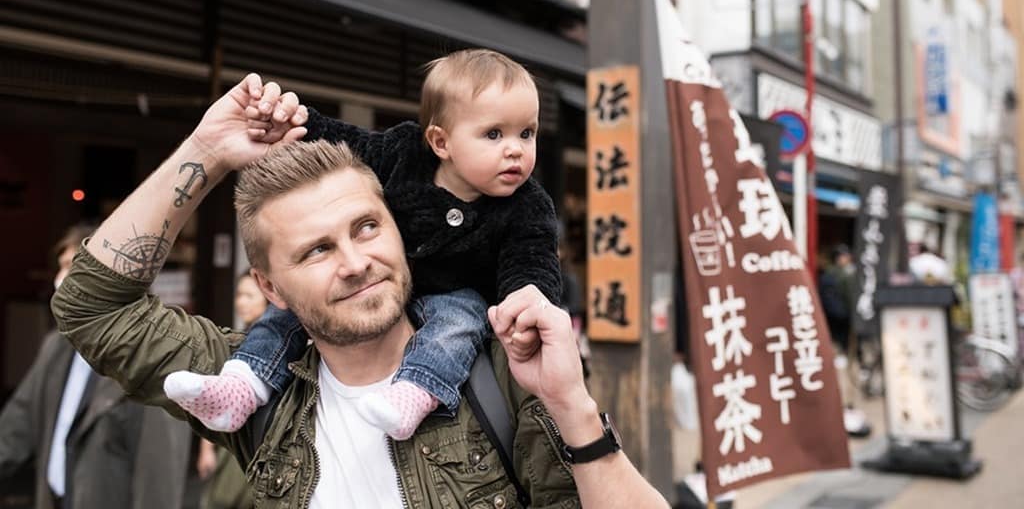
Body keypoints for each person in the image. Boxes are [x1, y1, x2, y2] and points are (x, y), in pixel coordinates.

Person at [51, 75, 670, 508]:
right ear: (270, 287)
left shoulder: (503, 379)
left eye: (367, 227)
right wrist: (206, 152)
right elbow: (92, 306)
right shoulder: (254, 390)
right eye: (317, 250)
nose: (356, 262)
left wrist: (574, 407)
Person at [166, 49, 563, 442]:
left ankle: (414, 393)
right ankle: (242, 384)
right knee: (288, 313)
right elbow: (350, 141)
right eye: (494, 134)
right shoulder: (405, 153)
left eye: (526, 133)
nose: (515, 149)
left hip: (453, 295)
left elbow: (532, 262)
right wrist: (298, 120)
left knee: (459, 322)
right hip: (377, 284)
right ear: (441, 142)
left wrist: (527, 302)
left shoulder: (528, 204)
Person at [0, 225, 191, 509]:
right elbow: (16, 427)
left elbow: (157, 476)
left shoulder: (152, 358)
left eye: (71, 266)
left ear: (108, 276)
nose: (60, 279)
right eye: (60, 267)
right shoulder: (56, 346)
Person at [196, 270, 266, 509]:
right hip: (232, 441)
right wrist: (207, 448)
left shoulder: (274, 345)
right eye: (239, 295)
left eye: (249, 296)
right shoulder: (235, 339)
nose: (241, 302)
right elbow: (217, 391)